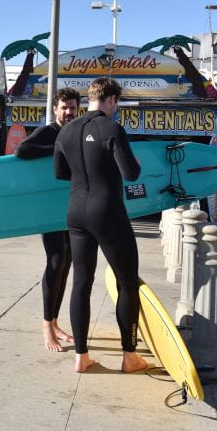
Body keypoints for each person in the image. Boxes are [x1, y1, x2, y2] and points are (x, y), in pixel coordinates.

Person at [54, 77, 147, 374]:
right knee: (127, 282)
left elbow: (59, 172)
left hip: (75, 212)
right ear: (112, 101)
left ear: (90, 98)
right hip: (106, 212)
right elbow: (131, 173)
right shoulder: (112, 128)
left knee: (81, 282)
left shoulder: (66, 130)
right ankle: (129, 356)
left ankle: (81, 356)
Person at [15, 87, 80, 352]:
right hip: (48, 209)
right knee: (55, 261)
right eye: (64, 107)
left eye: (72, 108)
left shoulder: (76, 133)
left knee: (66, 261)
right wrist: (57, 146)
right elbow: (22, 150)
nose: (68, 112)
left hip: (68, 207)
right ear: (55, 109)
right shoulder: (49, 131)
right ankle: (46, 326)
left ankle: (54, 322)